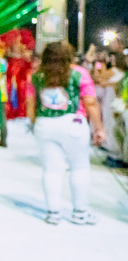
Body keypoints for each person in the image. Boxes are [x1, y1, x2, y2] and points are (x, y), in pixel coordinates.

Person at [28, 40, 104, 225]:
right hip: (73, 124)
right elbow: (90, 102)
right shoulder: (79, 74)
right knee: (79, 167)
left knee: (51, 170)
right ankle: (80, 212)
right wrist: (99, 128)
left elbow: (30, 103)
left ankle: (53, 213)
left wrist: (34, 123)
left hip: (45, 124)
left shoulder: (37, 76)